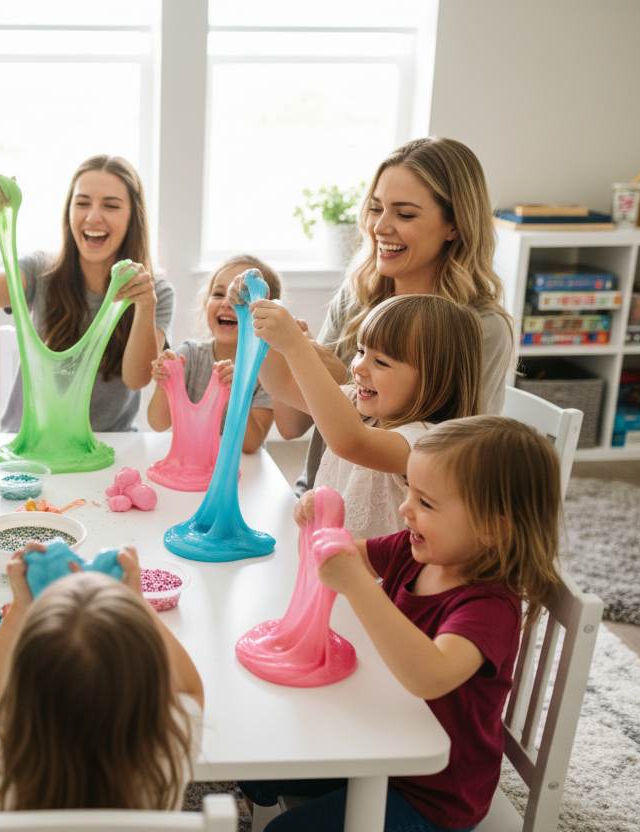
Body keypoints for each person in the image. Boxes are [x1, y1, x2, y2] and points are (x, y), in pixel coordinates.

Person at [241, 415, 563, 832]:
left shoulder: (490, 607)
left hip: (433, 794)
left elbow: (430, 676)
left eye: (426, 503)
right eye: (409, 489)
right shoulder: (412, 550)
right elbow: (336, 555)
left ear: (492, 527)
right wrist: (318, 522)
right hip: (376, 740)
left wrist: (359, 586)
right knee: (257, 756)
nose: (405, 508)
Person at [269, 137, 514, 498]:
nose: (380, 227)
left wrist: (342, 383)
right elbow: (290, 426)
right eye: (375, 208)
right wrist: (283, 349)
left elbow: (449, 460)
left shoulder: (480, 327)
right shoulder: (357, 299)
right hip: (318, 498)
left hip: (405, 523)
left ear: (455, 225)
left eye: (405, 214)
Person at [0, 543, 204, 811]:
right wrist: (136, 600)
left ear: (22, 677)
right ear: (148, 677)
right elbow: (191, 691)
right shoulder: (169, 743)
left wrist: (20, 610)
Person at [0, 155, 175, 433]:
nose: (93, 216)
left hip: (107, 443)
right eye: (82, 203)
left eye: (110, 205)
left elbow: (136, 379)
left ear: (132, 216)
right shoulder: (41, 270)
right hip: (31, 440)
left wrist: (145, 306)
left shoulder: (155, 290)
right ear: (69, 211)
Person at [249, 293, 482, 540]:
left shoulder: (425, 442)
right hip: (331, 561)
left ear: (435, 380)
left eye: (380, 362)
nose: (358, 367)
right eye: (361, 351)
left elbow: (350, 442)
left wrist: (295, 345)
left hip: (377, 577)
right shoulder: (356, 405)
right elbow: (283, 384)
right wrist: (262, 328)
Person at [148, 254, 296, 453]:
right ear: (204, 305)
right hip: (190, 459)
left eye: (242, 298)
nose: (226, 303)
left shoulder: (266, 372)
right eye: (218, 294)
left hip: (239, 467)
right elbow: (158, 424)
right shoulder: (189, 355)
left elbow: (251, 445)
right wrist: (166, 382)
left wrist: (236, 392)